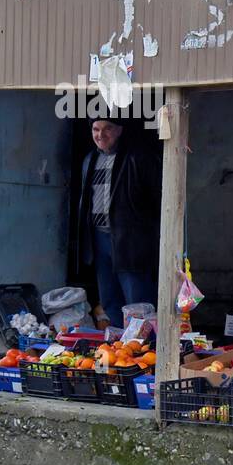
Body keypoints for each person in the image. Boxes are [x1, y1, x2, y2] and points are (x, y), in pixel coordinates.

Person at [75, 119, 162, 329]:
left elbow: (156, 199)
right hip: (98, 237)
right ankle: (118, 347)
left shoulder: (137, 157)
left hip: (129, 239)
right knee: (109, 297)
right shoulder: (90, 159)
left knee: (137, 298)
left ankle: (144, 348)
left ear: (120, 130)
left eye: (107, 129)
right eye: (96, 130)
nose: (100, 135)